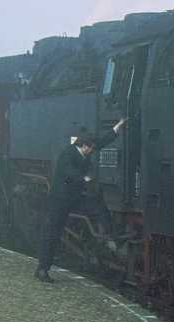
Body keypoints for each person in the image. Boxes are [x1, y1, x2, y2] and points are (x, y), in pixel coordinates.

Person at [35, 117, 128, 282]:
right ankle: (42, 269)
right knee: (53, 232)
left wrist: (117, 128)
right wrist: (84, 177)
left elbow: (101, 142)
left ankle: (119, 236)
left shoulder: (86, 147)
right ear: (83, 146)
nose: (93, 150)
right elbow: (68, 170)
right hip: (61, 200)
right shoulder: (67, 154)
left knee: (99, 208)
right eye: (91, 149)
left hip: (76, 197)